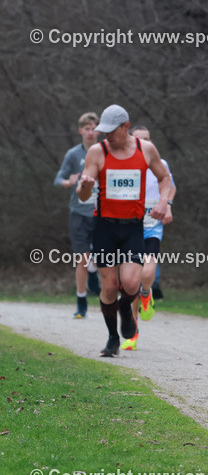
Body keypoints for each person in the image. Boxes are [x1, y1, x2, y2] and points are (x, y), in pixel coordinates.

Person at [77, 105, 173, 357]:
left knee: (131, 281)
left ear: (125, 126)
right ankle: (112, 339)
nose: (106, 135)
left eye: (111, 131)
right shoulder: (98, 152)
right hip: (105, 228)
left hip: (132, 226)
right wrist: (85, 186)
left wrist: (164, 201)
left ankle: (125, 313)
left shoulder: (145, 149)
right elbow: (83, 192)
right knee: (109, 286)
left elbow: (164, 178)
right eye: (103, 131)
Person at [122, 125, 176, 349]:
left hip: (152, 226)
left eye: (147, 139)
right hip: (129, 227)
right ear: (131, 141)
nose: (144, 143)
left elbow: (171, 186)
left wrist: (168, 206)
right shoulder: (124, 165)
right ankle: (133, 334)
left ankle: (147, 293)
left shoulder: (160, 164)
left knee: (147, 271)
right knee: (130, 283)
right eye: (138, 139)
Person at [54, 112, 101, 318]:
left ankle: (94, 274)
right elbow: (58, 179)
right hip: (79, 214)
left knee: (101, 259)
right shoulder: (73, 154)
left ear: (99, 130)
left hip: (101, 213)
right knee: (82, 259)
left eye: (94, 128)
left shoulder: (105, 153)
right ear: (81, 130)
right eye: (87, 129)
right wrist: (69, 181)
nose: (91, 133)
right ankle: (81, 302)